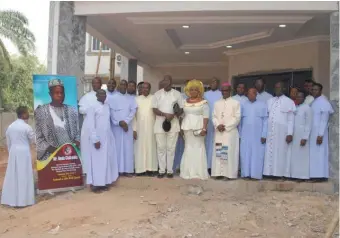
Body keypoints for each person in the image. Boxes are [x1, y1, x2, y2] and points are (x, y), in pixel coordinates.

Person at [34, 79, 80, 162]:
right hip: (50, 157)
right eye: (56, 93)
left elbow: (78, 132)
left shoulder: (71, 110)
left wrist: (76, 143)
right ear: (50, 94)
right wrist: (55, 151)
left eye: (62, 93)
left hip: (71, 155)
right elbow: (38, 137)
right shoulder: (41, 111)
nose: (60, 95)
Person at [1, 106, 36, 207]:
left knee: (13, 176)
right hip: (24, 152)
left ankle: (11, 200)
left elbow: (8, 142)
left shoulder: (10, 126)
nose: (28, 114)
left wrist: (11, 151)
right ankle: (24, 201)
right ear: (23, 114)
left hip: (13, 152)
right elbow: (32, 140)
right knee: (24, 175)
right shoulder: (26, 127)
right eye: (27, 112)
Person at [85, 90, 119, 193]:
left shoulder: (107, 106)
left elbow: (109, 122)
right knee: (96, 162)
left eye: (105, 94)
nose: (103, 96)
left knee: (105, 161)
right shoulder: (92, 107)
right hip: (97, 139)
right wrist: (95, 139)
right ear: (96, 96)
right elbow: (90, 125)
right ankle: (95, 185)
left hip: (107, 138)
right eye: (101, 94)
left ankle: (104, 183)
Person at [152, 75, 183, 178]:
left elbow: (181, 109)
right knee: (161, 148)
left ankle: (169, 171)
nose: (165, 81)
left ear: (171, 82)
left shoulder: (177, 94)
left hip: (173, 125)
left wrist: (173, 115)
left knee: (171, 148)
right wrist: (164, 115)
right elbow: (154, 109)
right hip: (160, 124)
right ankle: (161, 170)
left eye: (167, 80)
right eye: (163, 79)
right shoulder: (157, 94)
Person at [263, 81, 296, 178]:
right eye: (276, 87)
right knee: (269, 151)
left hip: (282, 132)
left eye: (279, 87)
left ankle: (280, 174)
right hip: (270, 132)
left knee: (281, 152)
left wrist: (290, 133)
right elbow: (266, 118)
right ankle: (269, 173)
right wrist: (264, 134)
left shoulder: (289, 101)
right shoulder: (270, 101)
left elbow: (291, 119)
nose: (277, 89)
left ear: (284, 89)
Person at [180, 80, 209, 180]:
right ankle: (187, 172)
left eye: (195, 90)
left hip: (199, 128)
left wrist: (204, 128)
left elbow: (206, 116)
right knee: (188, 148)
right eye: (191, 89)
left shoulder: (204, 102)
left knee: (199, 148)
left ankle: (199, 173)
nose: (193, 91)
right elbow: (182, 115)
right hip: (187, 128)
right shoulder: (184, 102)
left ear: (199, 91)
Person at [211, 82, 241, 179]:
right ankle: (219, 173)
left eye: (226, 90)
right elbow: (214, 116)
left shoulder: (235, 103)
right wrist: (217, 125)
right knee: (219, 151)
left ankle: (228, 174)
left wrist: (226, 126)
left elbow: (237, 118)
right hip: (219, 132)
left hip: (229, 132)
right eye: (222, 90)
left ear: (230, 91)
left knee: (227, 152)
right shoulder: (216, 103)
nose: (224, 92)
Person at [108, 80, 137, 176]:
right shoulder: (112, 98)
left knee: (127, 148)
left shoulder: (131, 98)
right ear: (119, 86)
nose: (123, 86)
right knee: (117, 148)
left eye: (125, 84)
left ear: (127, 86)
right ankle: (118, 170)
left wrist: (126, 122)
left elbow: (133, 111)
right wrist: (119, 122)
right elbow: (111, 112)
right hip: (116, 127)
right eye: (121, 84)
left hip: (127, 127)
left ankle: (127, 170)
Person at [240, 88, 268, 180]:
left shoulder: (262, 105)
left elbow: (265, 121)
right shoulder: (243, 105)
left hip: (258, 135)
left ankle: (255, 175)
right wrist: (239, 135)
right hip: (245, 135)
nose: (250, 95)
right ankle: (246, 174)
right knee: (245, 154)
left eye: (252, 94)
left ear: (256, 94)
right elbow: (240, 121)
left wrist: (264, 135)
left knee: (257, 154)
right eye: (248, 93)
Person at [309, 83, 334, 181]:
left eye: (316, 90)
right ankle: (315, 175)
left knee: (319, 153)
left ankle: (320, 176)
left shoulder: (324, 102)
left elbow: (324, 120)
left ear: (320, 91)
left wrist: (320, 135)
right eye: (313, 89)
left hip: (319, 133)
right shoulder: (314, 101)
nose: (314, 91)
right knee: (315, 154)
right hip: (313, 132)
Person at [133, 82, 158, 176]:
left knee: (151, 147)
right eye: (143, 88)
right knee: (139, 148)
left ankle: (150, 169)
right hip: (139, 127)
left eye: (147, 88)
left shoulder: (154, 98)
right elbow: (133, 116)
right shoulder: (136, 99)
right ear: (140, 89)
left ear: (150, 89)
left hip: (151, 127)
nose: (145, 89)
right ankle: (140, 169)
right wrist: (134, 129)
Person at [79, 77, 102, 173]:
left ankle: (98, 170)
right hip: (88, 125)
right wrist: (90, 110)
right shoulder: (86, 97)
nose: (95, 85)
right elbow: (80, 110)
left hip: (100, 126)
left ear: (101, 84)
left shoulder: (104, 96)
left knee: (99, 148)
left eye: (97, 83)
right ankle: (87, 170)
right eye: (94, 83)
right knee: (87, 148)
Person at [289, 90, 312, 180]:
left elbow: (308, 124)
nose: (298, 98)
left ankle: (302, 176)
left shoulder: (307, 108)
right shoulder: (295, 107)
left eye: (300, 97)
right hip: (295, 135)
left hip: (302, 135)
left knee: (302, 156)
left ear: (304, 98)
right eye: (297, 97)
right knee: (294, 156)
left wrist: (305, 137)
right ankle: (294, 175)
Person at [204, 77, 222, 174]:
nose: (213, 83)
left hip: (219, 123)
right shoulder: (205, 94)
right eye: (211, 82)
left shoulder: (221, 94)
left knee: (219, 144)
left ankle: (218, 167)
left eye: (215, 82)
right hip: (208, 123)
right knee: (207, 144)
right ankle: (207, 166)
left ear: (218, 83)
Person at [173, 79, 190, 173]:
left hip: (192, 126)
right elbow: (178, 113)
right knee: (180, 147)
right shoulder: (181, 97)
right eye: (187, 85)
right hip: (182, 125)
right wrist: (180, 127)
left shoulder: (197, 98)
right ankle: (178, 165)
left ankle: (189, 166)